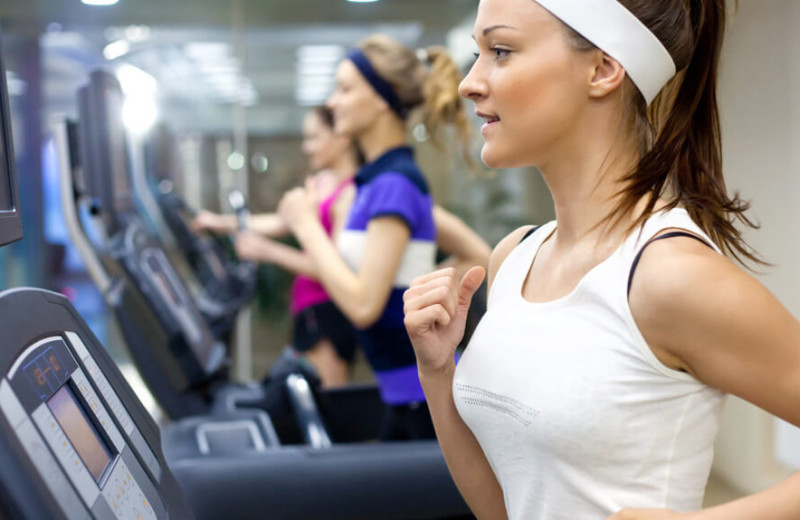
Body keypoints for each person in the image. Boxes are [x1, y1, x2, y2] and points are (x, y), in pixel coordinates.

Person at [403, 0, 800, 519]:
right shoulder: (515, 258)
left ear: (603, 68)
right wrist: (437, 373)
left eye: (500, 50)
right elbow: (507, 507)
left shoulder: (670, 276)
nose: (469, 82)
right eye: (478, 53)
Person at [278, 34, 483, 440]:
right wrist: (422, 284)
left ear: (381, 98)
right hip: (404, 395)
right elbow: (476, 253)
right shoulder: (379, 184)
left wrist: (304, 225)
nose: (333, 102)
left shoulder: (394, 185)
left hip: (424, 400)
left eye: (345, 88)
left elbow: (364, 305)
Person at [194, 106, 360, 388]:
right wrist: (218, 222)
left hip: (329, 312)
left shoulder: (352, 193)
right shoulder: (322, 183)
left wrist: (267, 251)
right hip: (307, 310)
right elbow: (280, 222)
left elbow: (334, 270)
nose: (307, 148)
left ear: (342, 137)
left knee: (328, 406)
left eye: (314, 138)